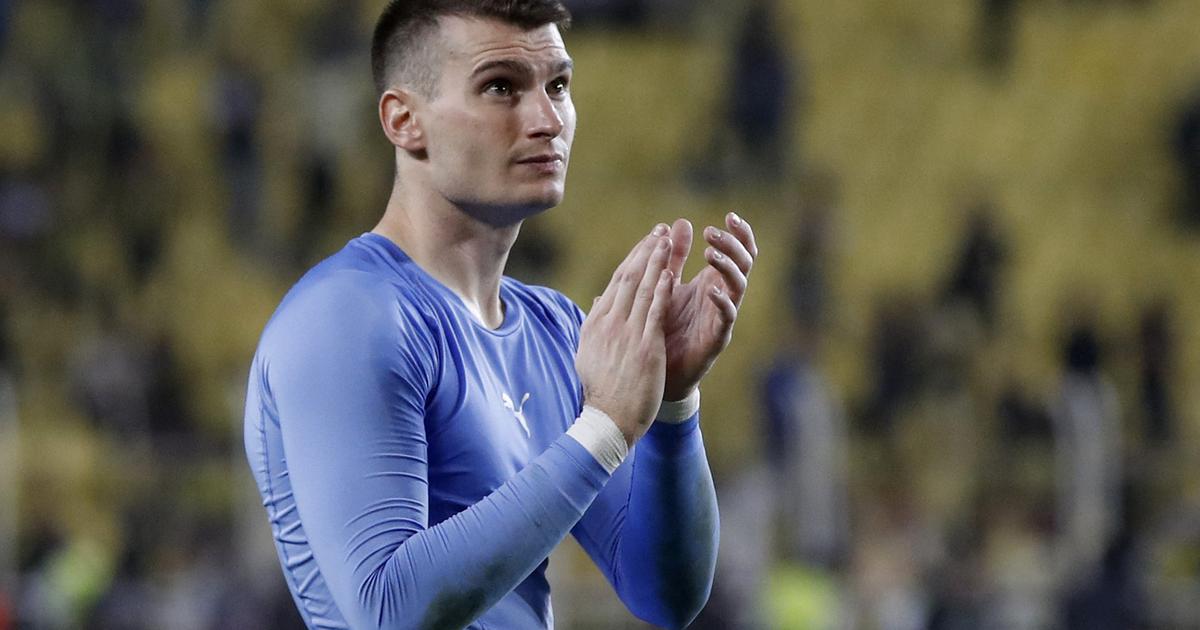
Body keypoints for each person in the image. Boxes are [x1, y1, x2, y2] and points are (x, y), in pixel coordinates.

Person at [242, 1, 759, 629]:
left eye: (558, 86)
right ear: (404, 121)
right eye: (500, 87)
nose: (547, 120)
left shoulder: (554, 331)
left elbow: (666, 597)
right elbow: (386, 608)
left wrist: (673, 404)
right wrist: (604, 428)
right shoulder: (348, 316)